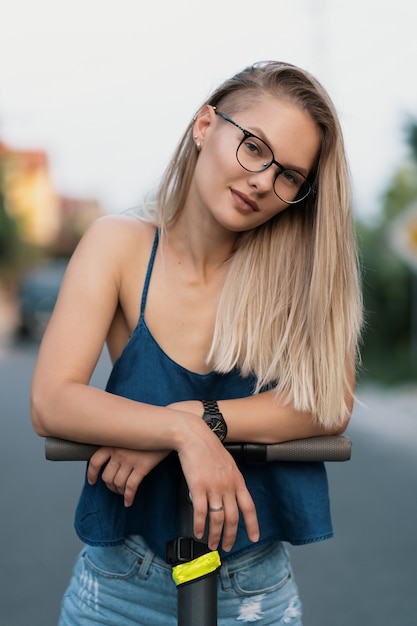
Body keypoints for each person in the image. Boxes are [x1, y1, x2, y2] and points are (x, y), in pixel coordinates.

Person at [30, 60, 362, 625]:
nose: (263, 180)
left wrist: (197, 418)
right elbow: (51, 400)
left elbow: (326, 401)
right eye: (255, 147)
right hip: (121, 589)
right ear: (206, 124)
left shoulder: (296, 272)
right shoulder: (120, 246)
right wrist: (177, 431)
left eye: (289, 176)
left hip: (253, 595)